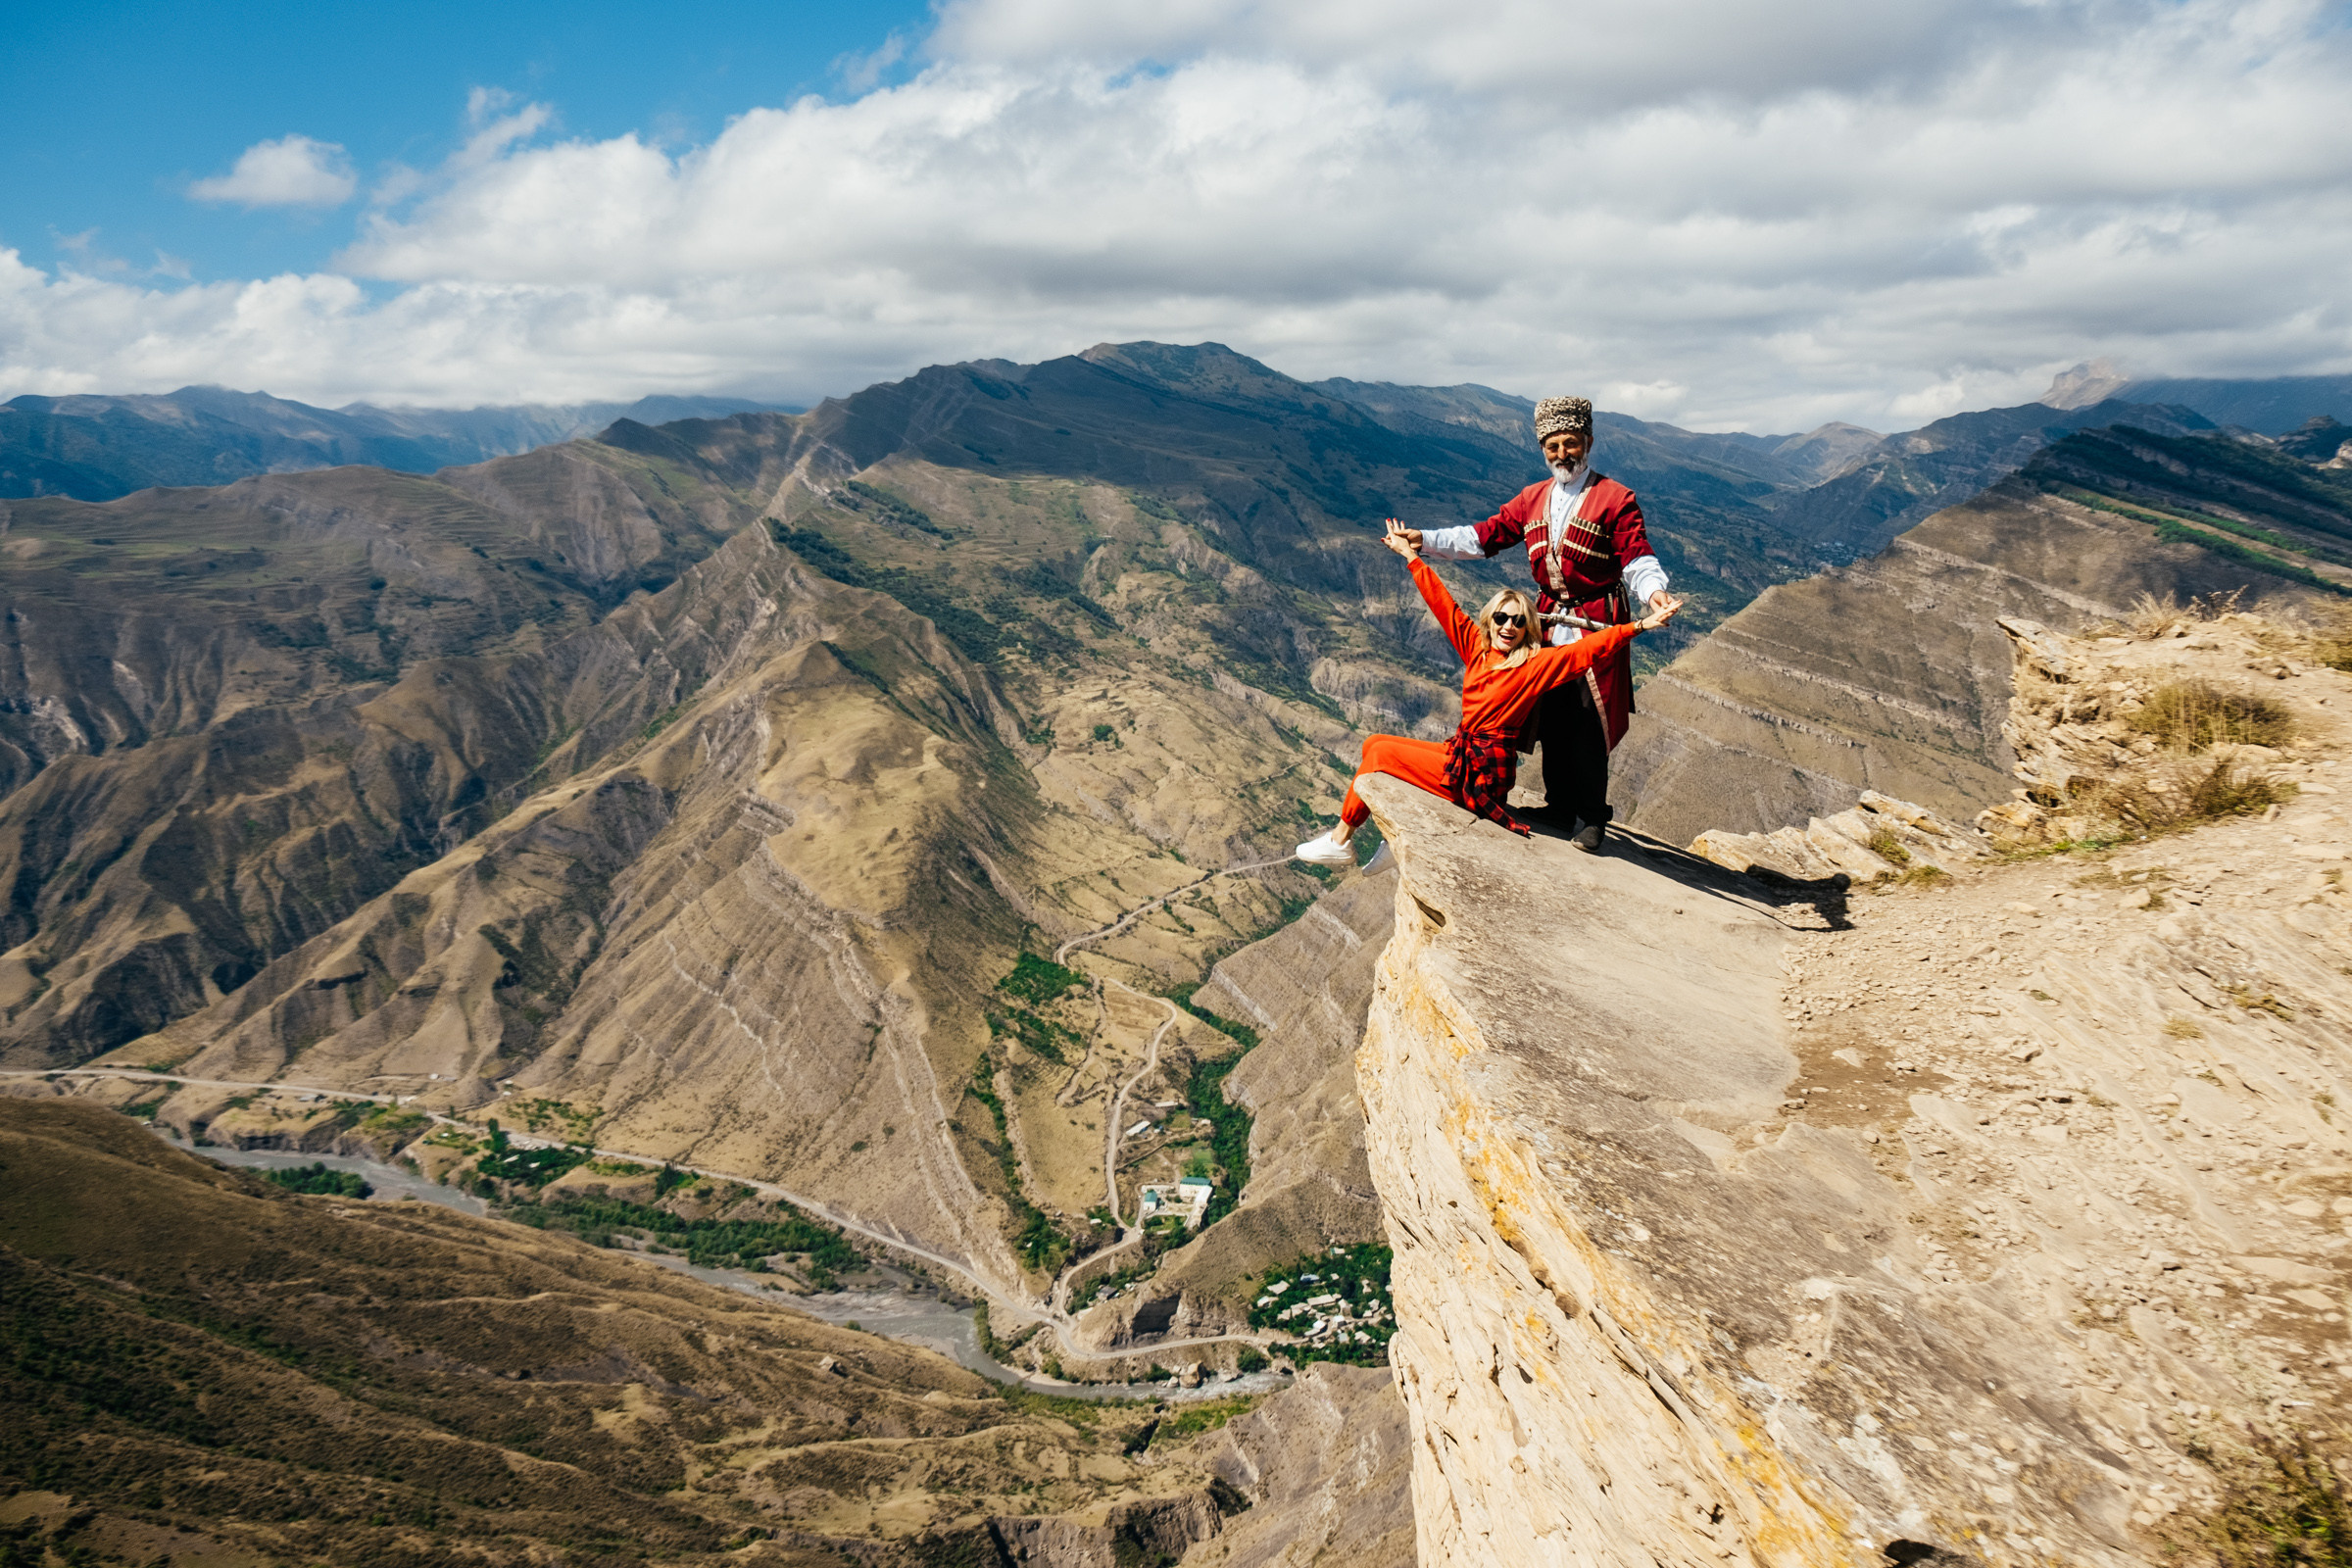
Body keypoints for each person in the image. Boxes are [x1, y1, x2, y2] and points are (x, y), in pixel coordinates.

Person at [1295, 523, 1680, 865]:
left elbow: (1588, 649)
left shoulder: (1533, 664)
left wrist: (1641, 624)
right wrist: (1411, 555)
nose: (1508, 626)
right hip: (1459, 755)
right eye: (1501, 617)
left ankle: (1340, 841)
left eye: (1518, 620)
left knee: (1380, 755)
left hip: (1482, 776)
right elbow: (1441, 602)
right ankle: (1393, 838)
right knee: (1374, 742)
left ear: (1527, 627)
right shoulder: (1475, 648)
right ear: (1489, 620)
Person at [1387, 396, 1670, 852]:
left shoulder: (1616, 499)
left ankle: (1592, 816)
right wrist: (1426, 540)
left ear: (1588, 442)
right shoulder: (1532, 498)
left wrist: (1653, 593)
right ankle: (1560, 804)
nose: (1562, 454)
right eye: (1553, 446)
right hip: (1544, 621)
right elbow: (1485, 535)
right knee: (1551, 713)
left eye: (1571, 443)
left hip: (1596, 620)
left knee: (1588, 720)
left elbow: (1637, 556)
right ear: (1543, 448)